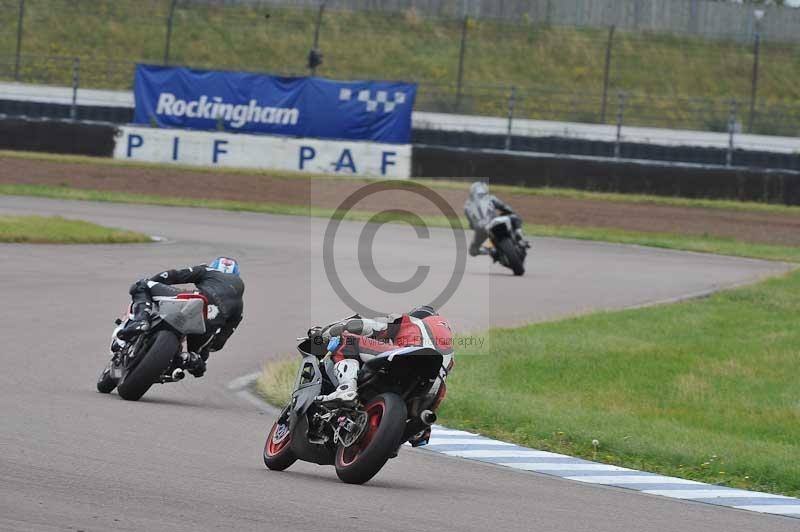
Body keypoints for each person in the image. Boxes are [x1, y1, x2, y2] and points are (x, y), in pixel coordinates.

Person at [317, 305, 454, 447]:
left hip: (408, 359)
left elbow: (365, 326)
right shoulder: (448, 351)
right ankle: (416, 430)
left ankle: (346, 389)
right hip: (432, 389)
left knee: (347, 341)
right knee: (418, 424)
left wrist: (326, 333)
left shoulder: (410, 321)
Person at [117, 257, 244, 378]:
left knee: (142, 285)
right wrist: (203, 352)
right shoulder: (239, 305)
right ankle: (189, 360)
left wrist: (154, 281)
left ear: (214, 267)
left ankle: (141, 320)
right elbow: (219, 343)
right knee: (198, 355)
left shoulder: (208, 270)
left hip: (195, 301)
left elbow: (173, 275)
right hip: (207, 326)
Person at [463, 181, 529, 259]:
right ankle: (519, 237)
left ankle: (491, 251)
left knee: (473, 251)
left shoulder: (467, 205)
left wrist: (475, 226)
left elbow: (471, 222)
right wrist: (511, 213)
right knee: (516, 218)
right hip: (494, 222)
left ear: (472, 192)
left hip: (482, 228)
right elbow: (504, 207)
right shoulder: (490, 197)